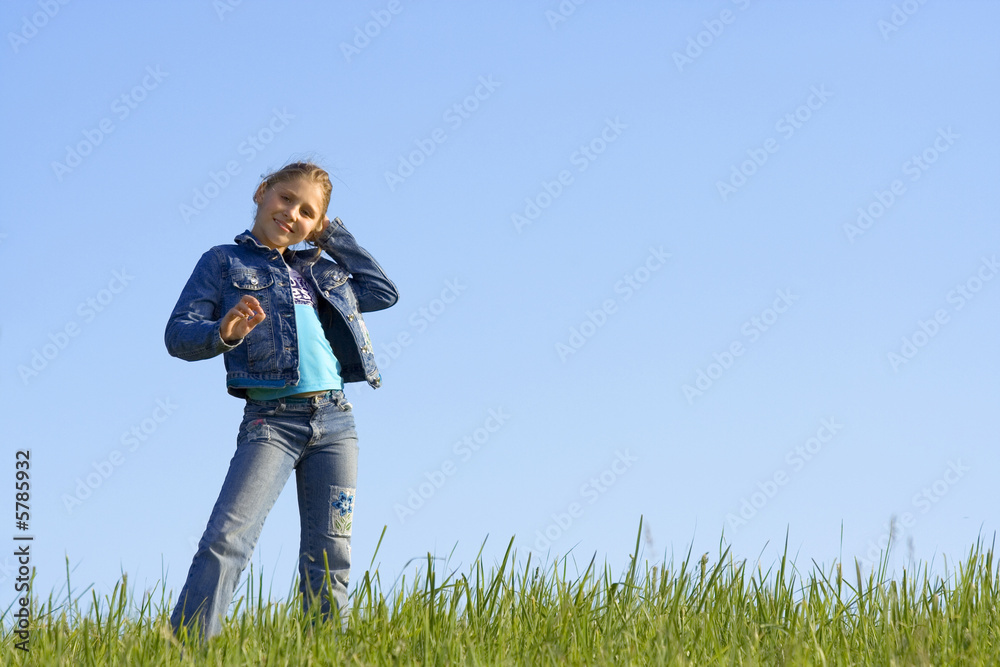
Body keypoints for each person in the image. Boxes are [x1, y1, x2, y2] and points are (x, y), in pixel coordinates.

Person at [164, 161, 398, 641]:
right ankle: (185, 647)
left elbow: (382, 291)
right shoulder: (224, 262)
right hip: (270, 422)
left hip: (336, 426)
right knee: (227, 539)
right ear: (261, 191)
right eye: (285, 198)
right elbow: (178, 334)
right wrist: (222, 333)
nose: (292, 214)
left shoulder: (323, 271)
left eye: (308, 212)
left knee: (332, 553)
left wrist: (332, 235)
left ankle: (324, 651)